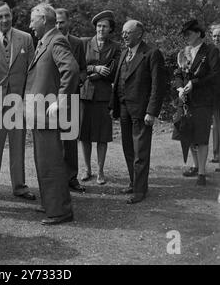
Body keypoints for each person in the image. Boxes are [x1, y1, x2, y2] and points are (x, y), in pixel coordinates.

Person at [25, 3, 79, 225]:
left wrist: (61, 100)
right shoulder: (45, 40)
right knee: (43, 161)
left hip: (48, 113)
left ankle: (60, 211)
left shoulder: (55, 39)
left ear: (44, 20)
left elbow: (72, 69)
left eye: (32, 20)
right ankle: (51, 203)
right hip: (39, 112)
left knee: (52, 162)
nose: (30, 25)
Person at [0, 2, 36, 202]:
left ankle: (20, 186)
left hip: (17, 100)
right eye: (0, 17)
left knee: (18, 144)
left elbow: (31, 70)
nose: (4, 20)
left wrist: (27, 98)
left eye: (7, 16)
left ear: (12, 16)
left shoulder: (26, 38)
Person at [110, 19, 167, 204]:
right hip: (124, 108)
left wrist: (151, 112)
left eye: (128, 32)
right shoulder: (124, 52)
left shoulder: (152, 53)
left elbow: (158, 86)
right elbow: (119, 79)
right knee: (128, 148)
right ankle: (134, 183)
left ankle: (140, 191)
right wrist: (114, 106)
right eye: (123, 32)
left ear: (139, 34)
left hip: (142, 111)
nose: (124, 35)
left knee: (140, 151)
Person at [175, 19, 220, 185]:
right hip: (186, 100)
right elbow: (178, 74)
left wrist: (194, 83)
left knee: (201, 136)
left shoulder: (211, 51)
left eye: (189, 33)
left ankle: (201, 172)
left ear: (199, 33)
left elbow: (215, 75)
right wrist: (180, 88)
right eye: (185, 34)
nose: (186, 37)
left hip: (202, 100)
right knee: (187, 134)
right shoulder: (183, 52)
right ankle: (195, 165)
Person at [79, 10, 121, 185]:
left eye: (104, 26)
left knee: (102, 135)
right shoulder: (84, 44)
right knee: (85, 134)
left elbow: (115, 71)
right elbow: (79, 67)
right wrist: (94, 69)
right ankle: (87, 169)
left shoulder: (116, 47)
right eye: (98, 26)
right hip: (86, 94)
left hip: (104, 95)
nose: (101, 29)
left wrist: (104, 72)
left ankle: (101, 171)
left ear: (110, 29)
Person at [55, 8, 86, 193]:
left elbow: (82, 69)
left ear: (68, 22)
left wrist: (77, 80)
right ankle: (56, 178)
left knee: (70, 138)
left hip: (72, 97)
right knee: (53, 139)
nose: (59, 25)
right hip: (52, 97)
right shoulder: (48, 41)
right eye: (56, 22)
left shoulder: (77, 43)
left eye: (62, 22)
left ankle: (71, 177)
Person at [211, 25, 220, 166]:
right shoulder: (210, 53)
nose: (217, 39)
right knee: (217, 124)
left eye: (219, 36)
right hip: (215, 94)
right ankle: (217, 154)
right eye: (214, 36)